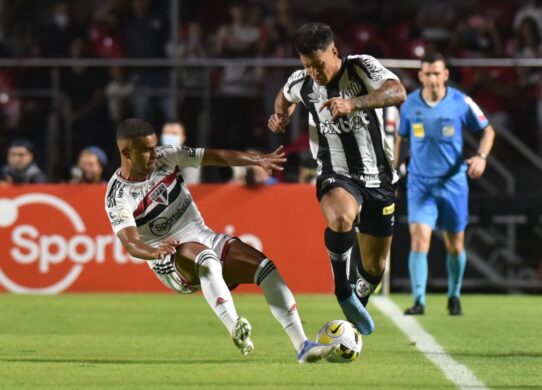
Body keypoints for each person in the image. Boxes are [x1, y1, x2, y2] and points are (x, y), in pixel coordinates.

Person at [105, 118, 336, 363]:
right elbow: (131, 244)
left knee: (266, 269)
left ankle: (303, 346)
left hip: (202, 235)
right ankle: (234, 325)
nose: (154, 154)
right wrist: (154, 251)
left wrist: (255, 159)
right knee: (207, 259)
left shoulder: (167, 156)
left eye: (154, 146)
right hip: (169, 257)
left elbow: (218, 156)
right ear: (127, 152)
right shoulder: (117, 195)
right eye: (145, 150)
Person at [267, 22, 406, 335]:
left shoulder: (360, 68)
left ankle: (353, 307)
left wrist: (353, 103)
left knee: (374, 267)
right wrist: (282, 115)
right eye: (307, 66)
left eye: (319, 64)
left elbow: (398, 91)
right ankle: (342, 289)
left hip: (380, 179)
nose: (314, 72)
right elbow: (284, 96)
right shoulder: (301, 82)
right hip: (336, 171)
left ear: (334, 52)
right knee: (341, 217)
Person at [395, 52, 496, 316]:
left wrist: (482, 157)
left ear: (446, 75)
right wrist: (394, 172)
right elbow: (400, 138)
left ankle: (454, 295)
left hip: (453, 183)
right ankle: (419, 300)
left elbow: (488, 130)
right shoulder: (409, 105)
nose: (432, 79)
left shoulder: (461, 102)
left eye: (437, 73)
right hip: (420, 183)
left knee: (455, 244)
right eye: (427, 73)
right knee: (419, 240)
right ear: (420, 76)